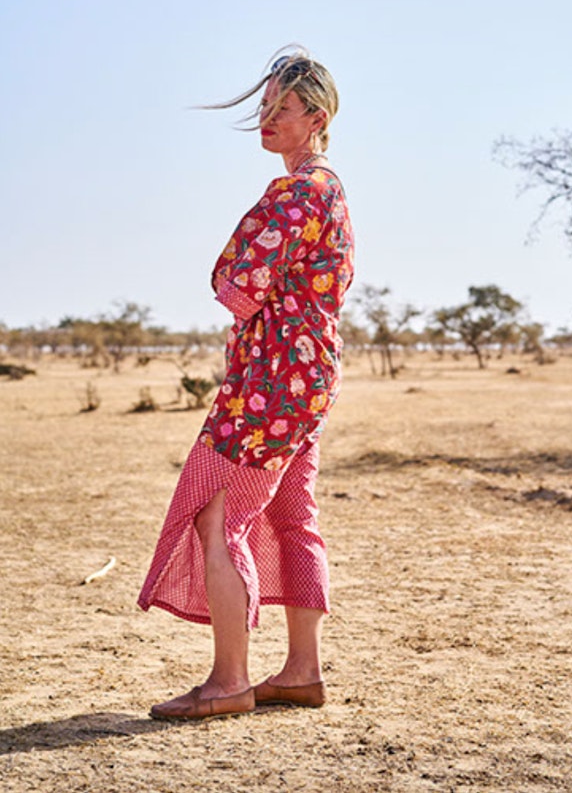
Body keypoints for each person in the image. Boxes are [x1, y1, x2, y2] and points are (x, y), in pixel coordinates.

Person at [138, 47, 354, 721]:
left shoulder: (296, 191)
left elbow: (236, 284)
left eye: (279, 108)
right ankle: (301, 671)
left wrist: (236, 280)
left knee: (217, 512)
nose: (265, 118)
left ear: (315, 116)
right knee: (293, 515)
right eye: (262, 106)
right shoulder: (331, 188)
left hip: (273, 375)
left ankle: (227, 681)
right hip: (308, 371)